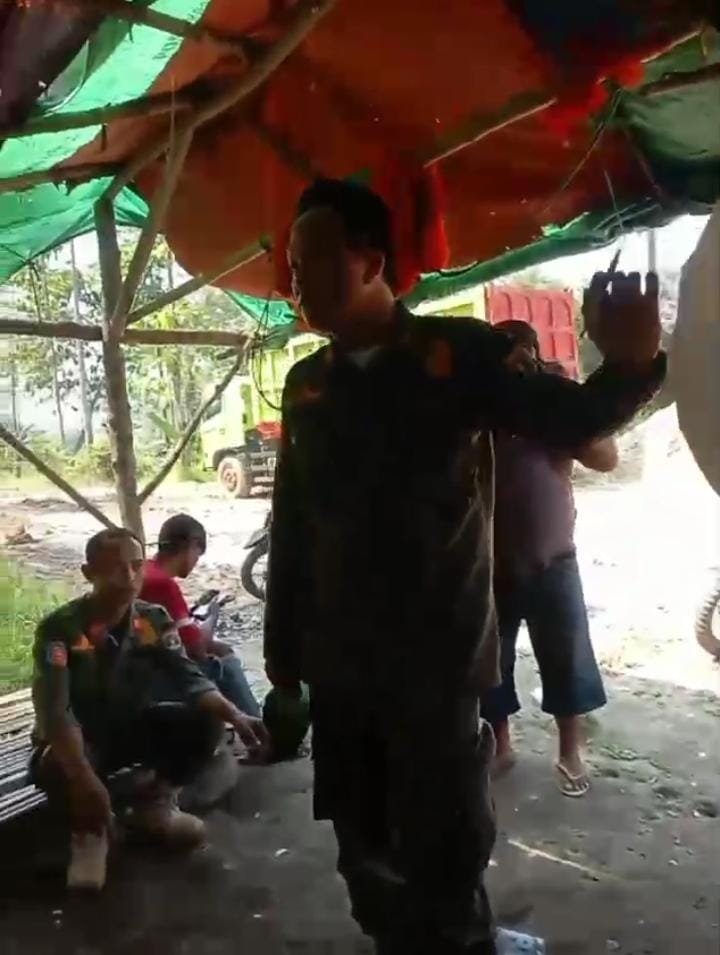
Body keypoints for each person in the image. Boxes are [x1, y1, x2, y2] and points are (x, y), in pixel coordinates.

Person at [264, 178, 665, 955]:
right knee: (361, 841)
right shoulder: (307, 385)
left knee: (444, 841)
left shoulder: (458, 357)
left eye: (309, 259)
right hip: (341, 664)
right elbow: (294, 525)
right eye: (290, 261)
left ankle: (465, 939)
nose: (293, 279)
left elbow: (571, 419)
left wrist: (632, 364)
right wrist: (283, 652)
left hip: (437, 658)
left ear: (370, 260)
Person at [30, 527, 267, 891]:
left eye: (136, 565)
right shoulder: (62, 630)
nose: (129, 577)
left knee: (206, 722)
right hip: (79, 737)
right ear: (88, 573)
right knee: (56, 764)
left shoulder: (150, 620)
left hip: (130, 727)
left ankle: (154, 804)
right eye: (115, 568)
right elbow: (56, 711)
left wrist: (235, 714)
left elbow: (189, 678)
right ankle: (89, 830)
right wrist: (86, 780)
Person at [482, 320, 617, 797]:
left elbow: (606, 458)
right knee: (489, 662)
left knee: (566, 657)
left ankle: (569, 751)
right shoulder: (477, 409)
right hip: (490, 565)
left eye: (525, 354)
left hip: (553, 557)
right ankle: (500, 745)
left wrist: (556, 404)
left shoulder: (551, 403)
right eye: (507, 356)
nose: (518, 366)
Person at [141, 514, 261, 720]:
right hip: (157, 675)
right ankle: (257, 724)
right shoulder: (164, 585)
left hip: (142, 662)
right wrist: (213, 615)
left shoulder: (145, 569)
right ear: (192, 544)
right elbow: (196, 649)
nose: (196, 562)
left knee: (219, 649)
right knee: (226, 662)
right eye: (198, 554)